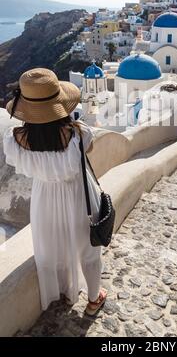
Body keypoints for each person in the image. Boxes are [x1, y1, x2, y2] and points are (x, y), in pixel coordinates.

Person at [3, 68, 107, 316]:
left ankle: (59, 291)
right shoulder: (78, 134)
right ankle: (94, 299)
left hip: (44, 198)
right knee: (88, 250)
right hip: (78, 196)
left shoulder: (14, 138)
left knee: (51, 247)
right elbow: (86, 154)